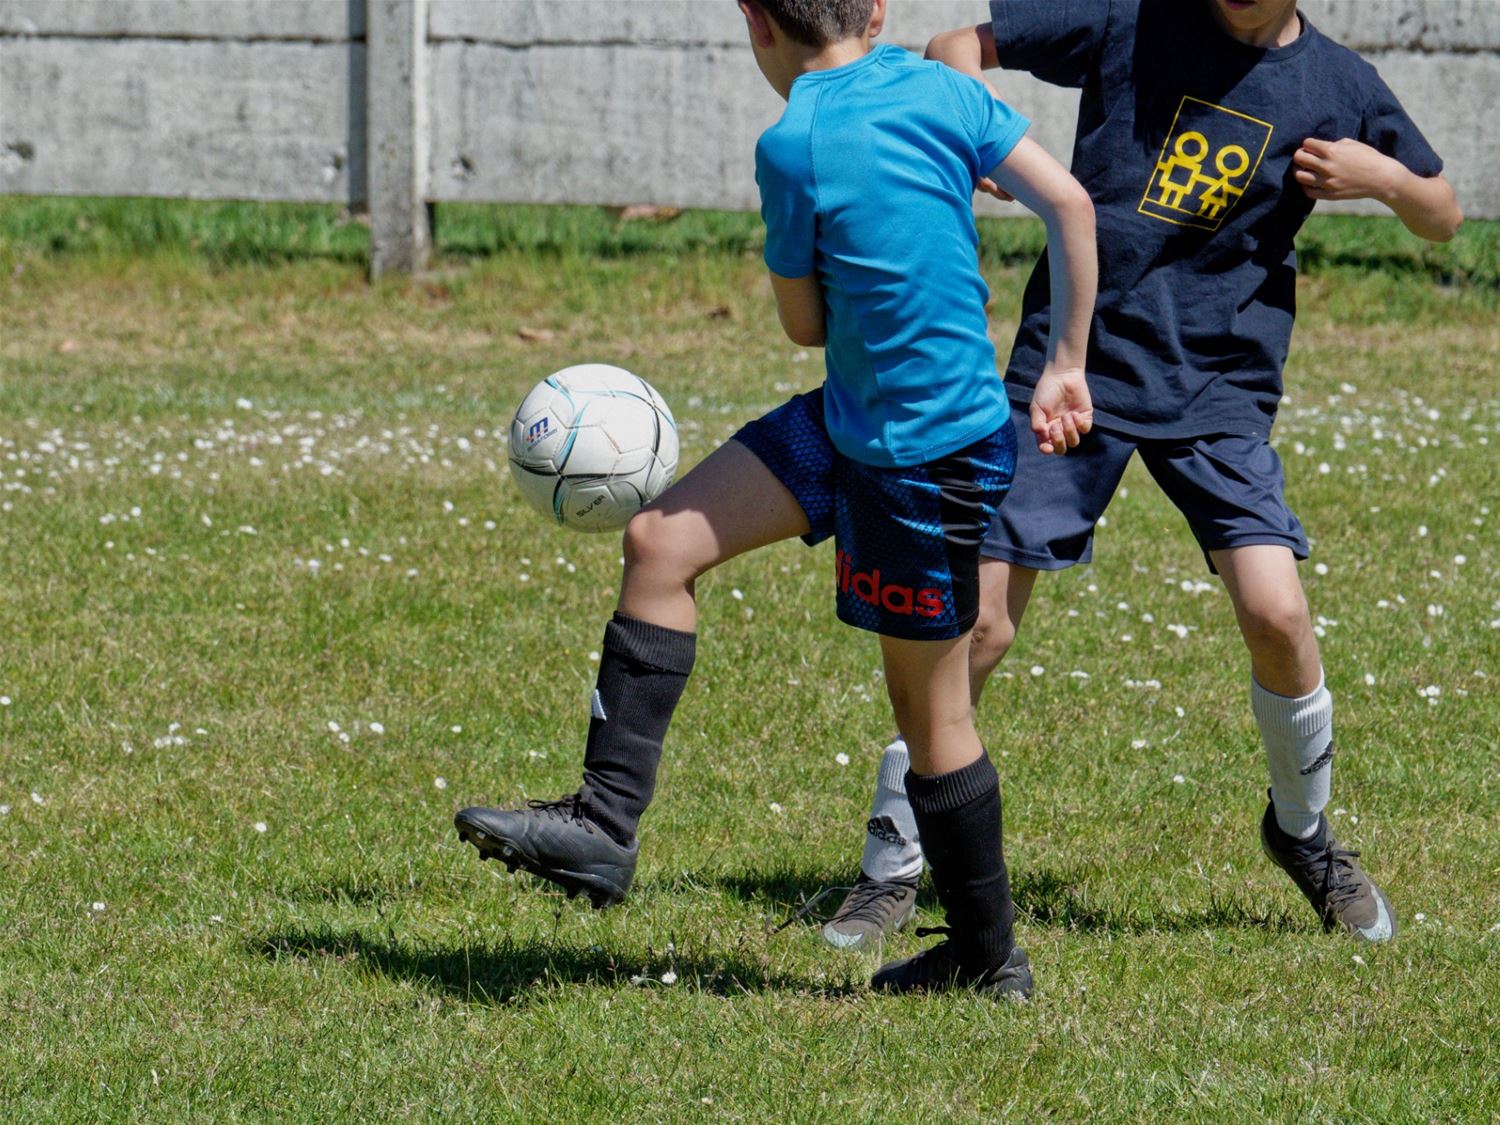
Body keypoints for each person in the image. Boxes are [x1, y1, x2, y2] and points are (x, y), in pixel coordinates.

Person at [455, 0, 1098, 996]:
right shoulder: (943, 90)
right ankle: (603, 826)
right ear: (877, 9)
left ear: (757, 22)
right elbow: (1070, 204)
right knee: (660, 541)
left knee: (932, 718)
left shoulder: (793, 144)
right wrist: (1065, 363)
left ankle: (986, 958)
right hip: (851, 419)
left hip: (923, 461)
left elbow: (803, 321)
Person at [821, 0, 1462, 952]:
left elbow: (1443, 213)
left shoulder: (1339, 85)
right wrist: (969, 128)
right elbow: (957, 44)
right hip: (1073, 367)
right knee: (980, 623)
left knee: (1278, 613)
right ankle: (894, 858)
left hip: (1219, 386)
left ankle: (1303, 832)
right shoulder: (1130, 14)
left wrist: (1384, 180)